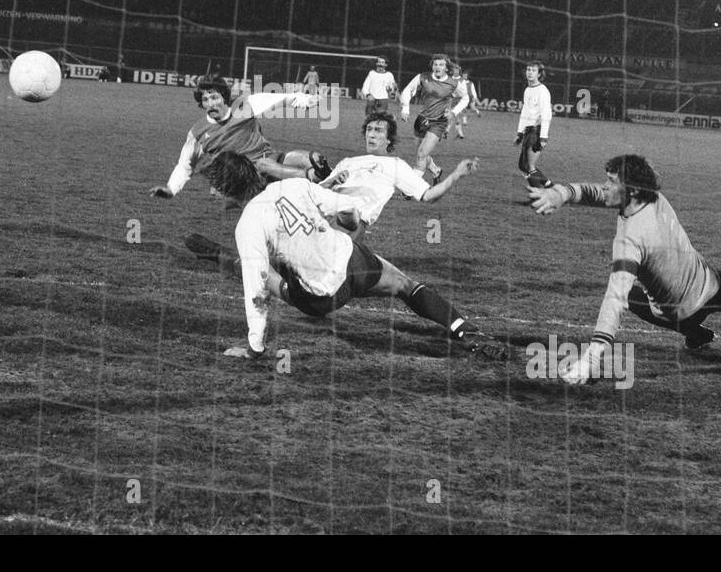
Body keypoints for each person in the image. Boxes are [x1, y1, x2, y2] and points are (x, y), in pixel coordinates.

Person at [527, 154, 721, 384]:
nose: (604, 186)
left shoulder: (632, 234)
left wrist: (593, 357)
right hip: (707, 287)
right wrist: (563, 193)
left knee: (634, 300)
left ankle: (696, 333)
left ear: (631, 190)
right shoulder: (654, 201)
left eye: (611, 181)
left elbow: (613, 298)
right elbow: (598, 195)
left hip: (689, 300)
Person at [204, 151, 504, 360]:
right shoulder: (293, 185)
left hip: (323, 297)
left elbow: (255, 290)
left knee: (259, 271)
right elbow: (348, 210)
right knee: (405, 286)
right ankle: (465, 330)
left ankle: (222, 257)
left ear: (228, 188)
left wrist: (254, 347)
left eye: (215, 189)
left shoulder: (248, 224)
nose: (212, 195)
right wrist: (347, 225)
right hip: (353, 260)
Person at [149, 76, 331, 199]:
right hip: (243, 181)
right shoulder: (198, 132)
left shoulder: (245, 106)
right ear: (201, 104)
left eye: (214, 97)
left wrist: (307, 101)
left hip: (271, 159)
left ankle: (332, 181)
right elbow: (185, 165)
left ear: (224, 97)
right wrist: (171, 189)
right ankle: (311, 176)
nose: (211, 104)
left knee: (308, 158)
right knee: (264, 165)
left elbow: (282, 99)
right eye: (205, 100)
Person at [320, 112, 478, 239]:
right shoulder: (347, 162)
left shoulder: (396, 165)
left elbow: (428, 195)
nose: (371, 135)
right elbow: (316, 192)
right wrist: (331, 182)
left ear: (388, 140)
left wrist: (457, 174)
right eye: (369, 129)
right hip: (318, 217)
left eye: (378, 130)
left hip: (347, 225)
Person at [399, 53, 468, 183]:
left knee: (421, 154)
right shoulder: (422, 77)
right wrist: (405, 108)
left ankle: (409, 189)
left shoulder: (453, 83)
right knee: (423, 152)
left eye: (441, 65)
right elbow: (407, 90)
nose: (437, 67)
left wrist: (454, 112)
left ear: (446, 68)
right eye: (435, 64)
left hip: (439, 122)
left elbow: (465, 98)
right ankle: (436, 170)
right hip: (422, 120)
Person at [515, 61, 553, 188]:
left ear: (539, 74)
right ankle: (550, 186)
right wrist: (520, 133)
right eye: (528, 69)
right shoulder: (528, 90)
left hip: (537, 131)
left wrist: (543, 137)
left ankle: (537, 196)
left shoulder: (542, 91)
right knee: (523, 165)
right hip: (528, 130)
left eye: (533, 70)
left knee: (529, 166)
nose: (530, 72)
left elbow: (546, 114)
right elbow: (524, 112)